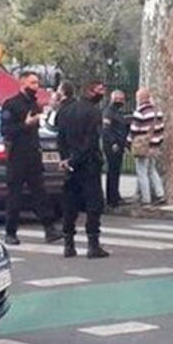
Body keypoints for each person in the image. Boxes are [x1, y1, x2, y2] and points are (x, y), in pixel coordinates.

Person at [0, 71, 64, 246]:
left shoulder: (34, 104)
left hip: (33, 155)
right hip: (17, 156)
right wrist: (25, 124)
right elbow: (5, 130)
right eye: (33, 83)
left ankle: (49, 228)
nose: (36, 86)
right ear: (23, 83)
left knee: (40, 193)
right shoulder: (11, 104)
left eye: (37, 83)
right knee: (15, 196)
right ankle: (10, 232)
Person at [56, 82, 110, 259]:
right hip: (88, 163)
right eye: (100, 90)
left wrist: (65, 159)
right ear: (90, 91)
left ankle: (68, 244)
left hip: (71, 165)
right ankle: (93, 244)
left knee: (70, 204)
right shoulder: (93, 112)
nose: (102, 94)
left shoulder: (65, 110)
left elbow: (60, 137)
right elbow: (91, 140)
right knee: (94, 205)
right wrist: (77, 158)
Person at [127, 89, 166, 207]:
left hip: (142, 146)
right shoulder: (157, 112)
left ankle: (146, 198)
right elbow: (161, 128)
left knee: (142, 172)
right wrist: (158, 142)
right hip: (154, 145)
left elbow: (134, 130)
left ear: (140, 98)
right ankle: (160, 194)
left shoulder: (140, 112)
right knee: (152, 170)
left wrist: (128, 143)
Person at [102, 90, 130, 208]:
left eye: (121, 98)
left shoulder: (118, 112)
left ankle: (115, 195)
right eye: (117, 98)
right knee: (112, 172)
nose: (120, 101)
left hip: (119, 145)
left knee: (116, 172)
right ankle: (112, 199)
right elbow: (106, 129)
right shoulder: (108, 112)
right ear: (112, 99)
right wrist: (113, 142)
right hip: (112, 146)